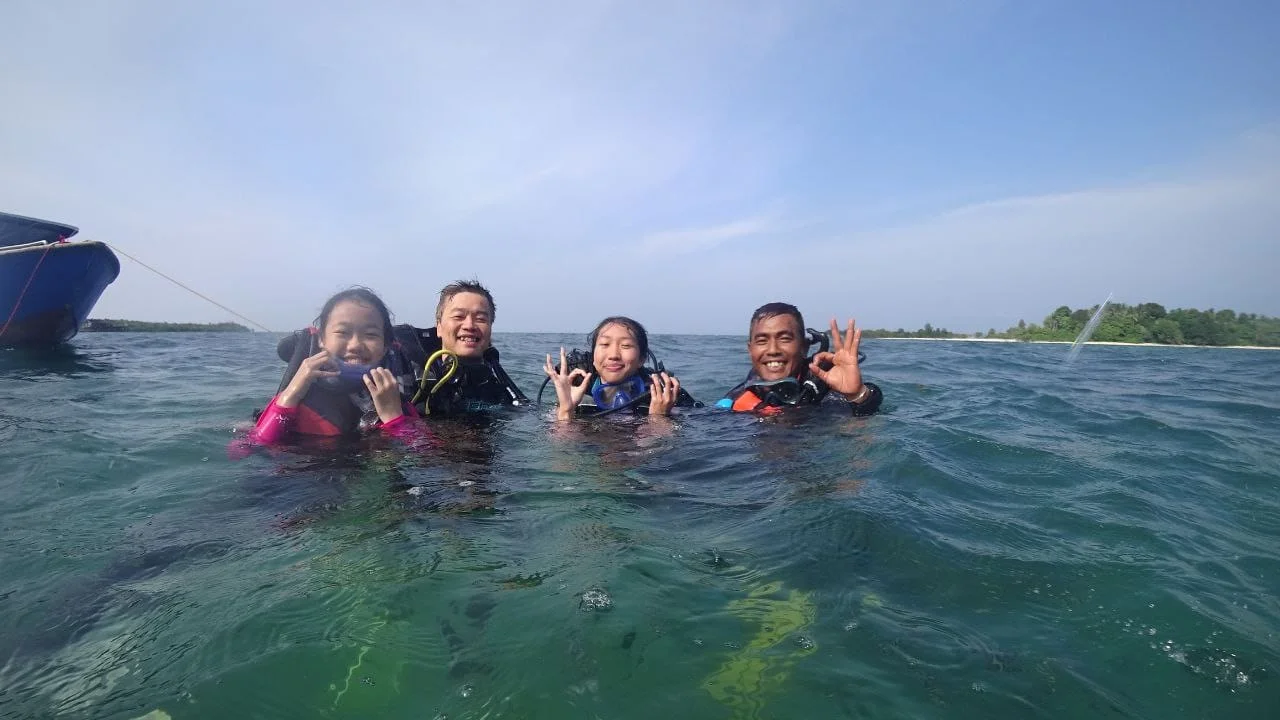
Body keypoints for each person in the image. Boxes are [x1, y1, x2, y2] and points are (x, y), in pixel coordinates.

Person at [242, 287, 423, 447]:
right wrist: (291, 394)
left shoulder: (393, 396)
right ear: (321, 339)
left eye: (370, 334)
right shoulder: (298, 392)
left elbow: (422, 454)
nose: (355, 345)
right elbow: (247, 450)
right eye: (342, 332)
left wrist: (393, 416)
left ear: (385, 346)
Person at [718, 302, 883, 416]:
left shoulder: (827, 394)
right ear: (750, 350)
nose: (773, 350)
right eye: (762, 341)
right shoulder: (733, 403)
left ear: (804, 347)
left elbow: (862, 443)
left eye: (785, 339)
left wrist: (857, 395)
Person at [397, 280, 528, 417]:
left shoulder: (499, 389)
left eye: (481, 319)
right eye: (458, 316)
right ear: (439, 327)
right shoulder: (408, 378)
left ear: (490, 328)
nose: (469, 325)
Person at [541, 316, 698, 420]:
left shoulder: (665, 397)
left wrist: (659, 418)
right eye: (605, 344)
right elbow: (563, 456)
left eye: (626, 345)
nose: (613, 355)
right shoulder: (575, 392)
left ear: (642, 359)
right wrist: (565, 410)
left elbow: (660, 456)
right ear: (593, 357)